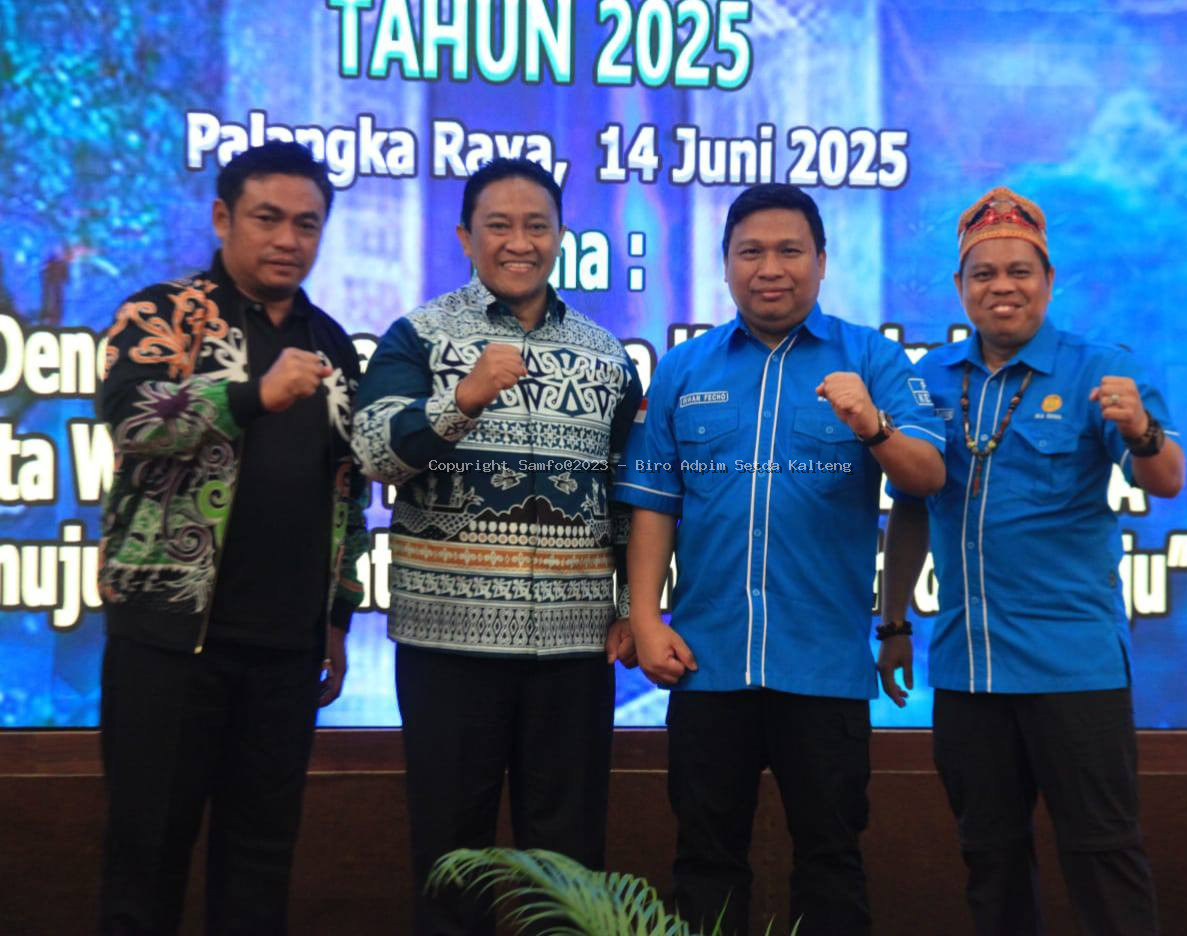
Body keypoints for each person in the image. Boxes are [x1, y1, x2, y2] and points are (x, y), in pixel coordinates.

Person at [615, 183, 946, 935]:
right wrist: (645, 618)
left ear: (822, 261)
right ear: (726, 264)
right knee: (705, 862)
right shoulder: (685, 367)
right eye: (751, 252)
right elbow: (653, 505)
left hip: (822, 665)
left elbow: (927, 477)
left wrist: (871, 423)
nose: (771, 268)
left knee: (831, 863)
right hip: (706, 661)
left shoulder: (873, 359)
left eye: (790, 250)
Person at [880, 186, 1186, 936]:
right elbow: (911, 505)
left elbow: (1167, 479)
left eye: (1020, 271)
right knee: (990, 863)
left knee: (1103, 856)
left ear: (1048, 280)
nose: (1002, 287)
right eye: (983, 273)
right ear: (960, 286)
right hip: (968, 670)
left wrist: (1141, 432)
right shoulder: (929, 379)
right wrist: (892, 624)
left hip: (1073, 668)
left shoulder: (1100, 371)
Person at [350, 158, 641, 935]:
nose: (520, 242)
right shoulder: (418, 335)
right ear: (464, 238)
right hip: (449, 645)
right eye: (499, 226)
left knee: (570, 868)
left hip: (574, 650)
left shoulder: (606, 354)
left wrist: (628, 607)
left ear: (560, 236)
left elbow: (627, 494)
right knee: (453, 860)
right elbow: (373, 451)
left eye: (536, 226)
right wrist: (464, 399)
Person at [96, 140, 369, 935]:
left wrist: (337, 617)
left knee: (259, 864)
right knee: (146, 857)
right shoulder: (164, 314)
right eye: (267, 218)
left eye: (306, 224)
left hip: (286, 650)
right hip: (170, 639)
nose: (287, 239)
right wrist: (252, 395)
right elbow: (130, 419)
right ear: (223, 218)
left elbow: (348, 493)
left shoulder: (331, 343)